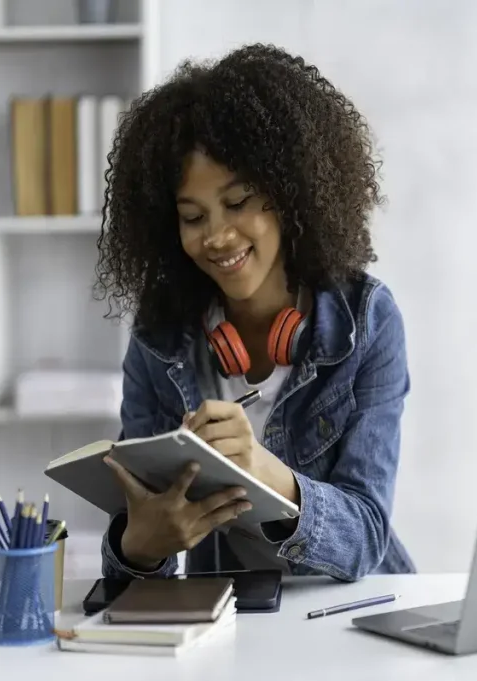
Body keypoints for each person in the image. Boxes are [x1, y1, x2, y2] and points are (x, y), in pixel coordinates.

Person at [92, 43, 415, 582]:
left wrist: (261, 469)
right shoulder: (159, 338)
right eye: (193, 216)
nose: (217, 236)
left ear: (290, 195)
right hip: (233, 627)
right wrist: (139, 547)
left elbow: (365, 538)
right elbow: (133, 566)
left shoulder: (367, 321)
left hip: (352, 619)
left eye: (238, 203)